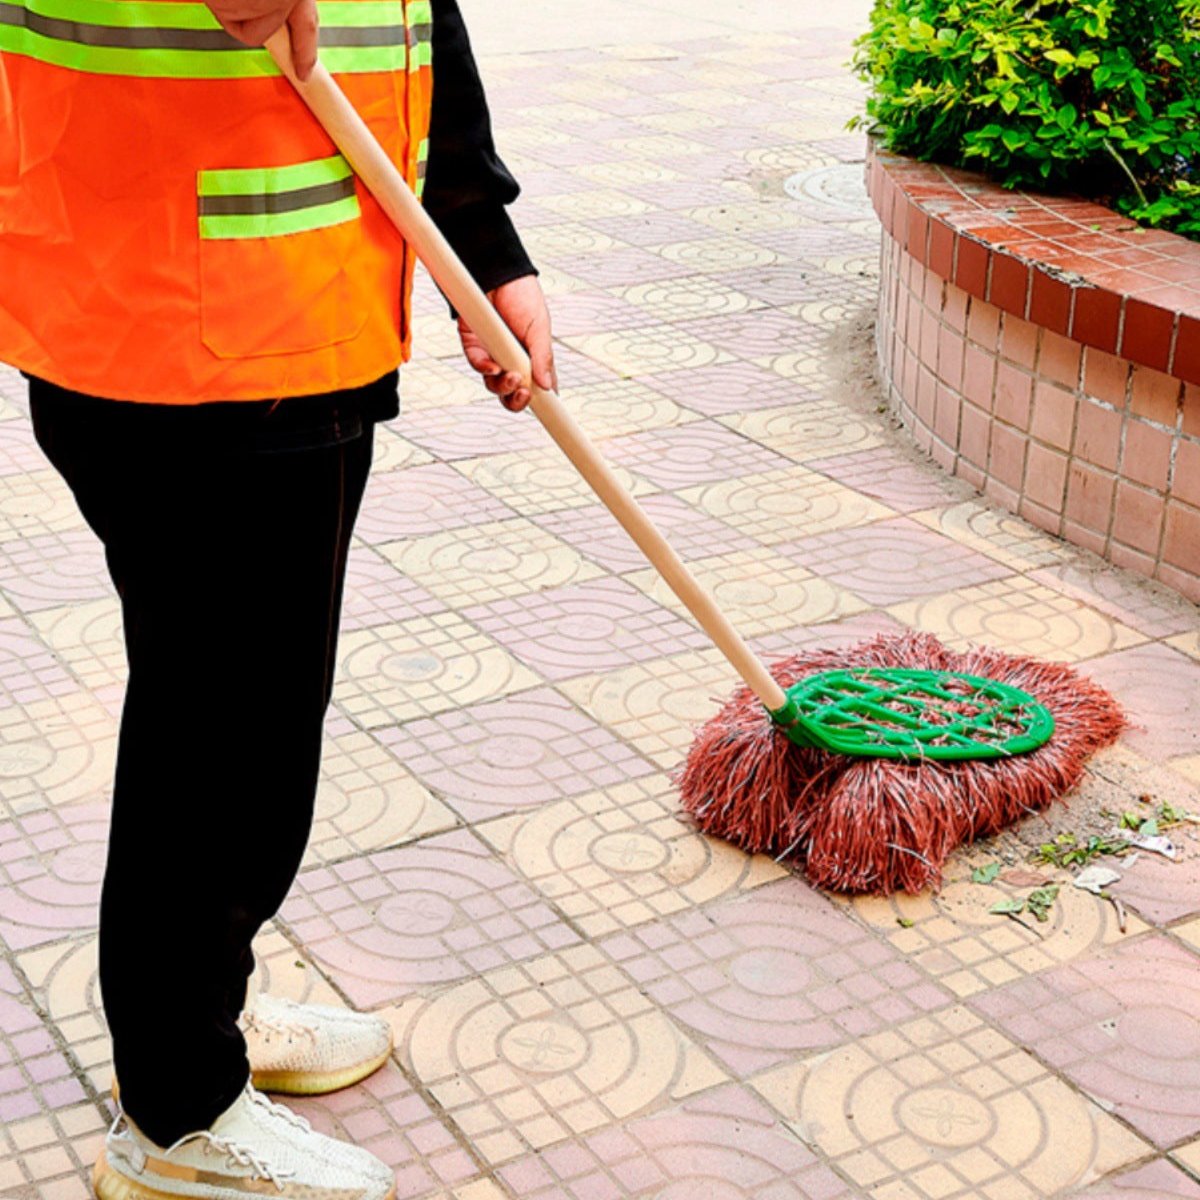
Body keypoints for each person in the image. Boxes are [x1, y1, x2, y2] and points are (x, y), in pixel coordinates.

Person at [0, 0, 555, 1194]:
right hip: (167, 329)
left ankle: (207, 1015)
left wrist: (481, 244)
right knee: (222, 742)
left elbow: (406, 16)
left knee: (251, 721)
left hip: (304, 318)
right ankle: (176, 1112)